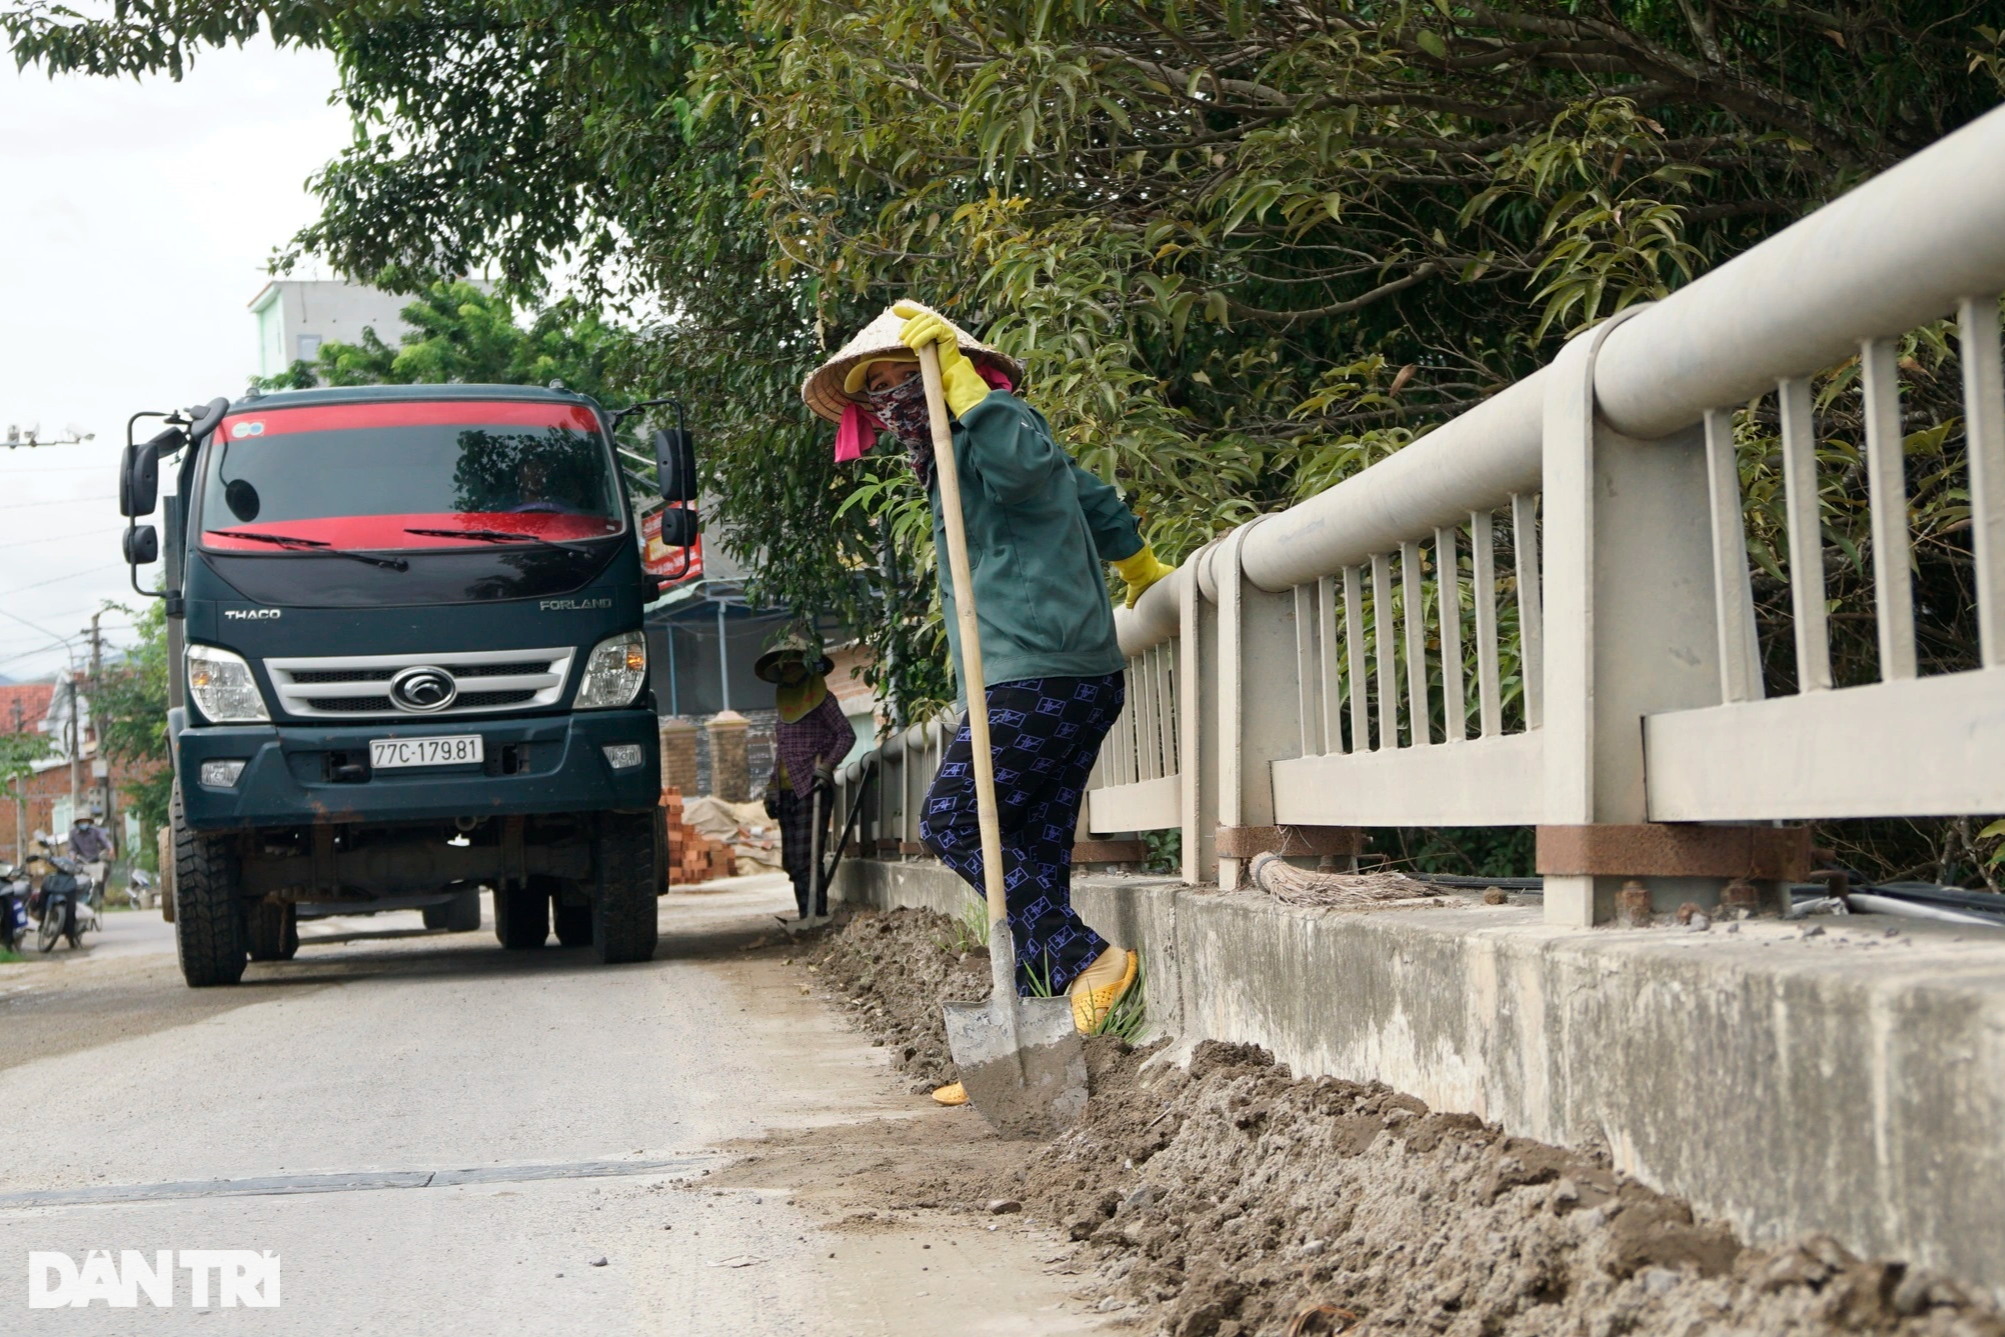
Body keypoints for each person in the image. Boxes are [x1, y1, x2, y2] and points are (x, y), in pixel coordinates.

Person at [802, 301, 1175, 1106]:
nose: (893, 400)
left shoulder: (995, 431)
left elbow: (1032, 473)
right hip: (1033, 672)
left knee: (953, 821)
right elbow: (1094, 498)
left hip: (1043, 672)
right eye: (879, 390)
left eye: (907, 379)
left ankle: (1087, 961)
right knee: (1028, 852)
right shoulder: (941, 459)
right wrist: (1139, 564)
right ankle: (1038, 1039)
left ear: (949, 374)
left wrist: (971, 393)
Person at [756, 632, 857, 921]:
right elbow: (782, 753)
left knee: (807, 857)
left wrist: (826, 767)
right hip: (786, 790)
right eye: (785, 667)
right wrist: (771, 789)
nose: (790, 671)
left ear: (808, 668)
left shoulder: (823, 700)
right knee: (792, 860)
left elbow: (845, 735)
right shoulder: (784, 705)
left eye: (796, 665)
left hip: (811, 786)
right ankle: (806, 915)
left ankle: (815, 914)